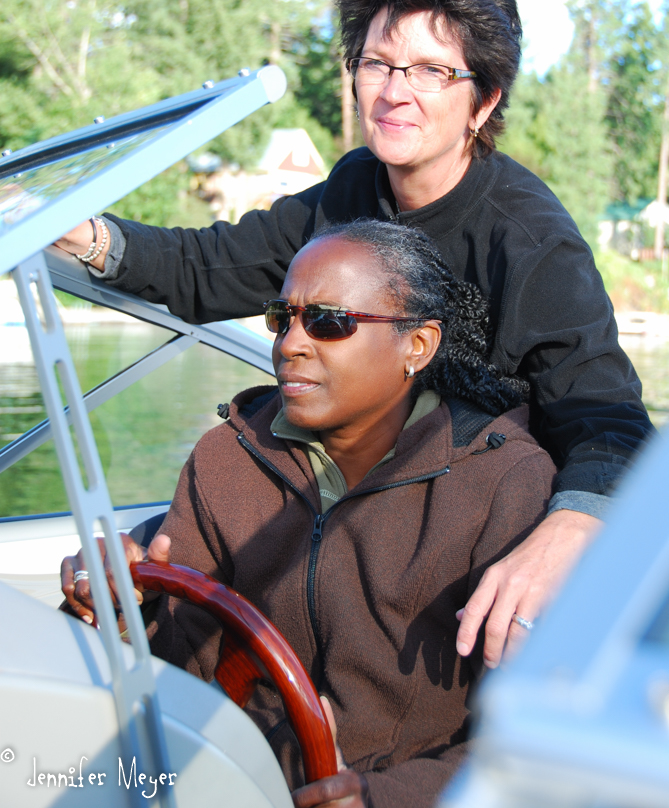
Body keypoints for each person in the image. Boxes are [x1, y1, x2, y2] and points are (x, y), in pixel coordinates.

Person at [55, 0, 651, 668]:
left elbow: (608, 421)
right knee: (119, 570)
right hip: (345, 487)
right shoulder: (350, 188)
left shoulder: (529, 243)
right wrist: (81, 234)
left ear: (483, 100)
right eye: (377, 63)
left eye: (431, 71)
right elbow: (212, 267)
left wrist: (566, 535)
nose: (396, 91)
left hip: (466, 521)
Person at [62, 220, 556, 808]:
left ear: (417, 346)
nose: (290, 343)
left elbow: (536, 738)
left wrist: (379, 797)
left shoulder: (504, 485)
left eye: (328, 321)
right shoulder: (226, 458)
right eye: (282, 317)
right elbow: (185, 673)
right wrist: (121, 611)